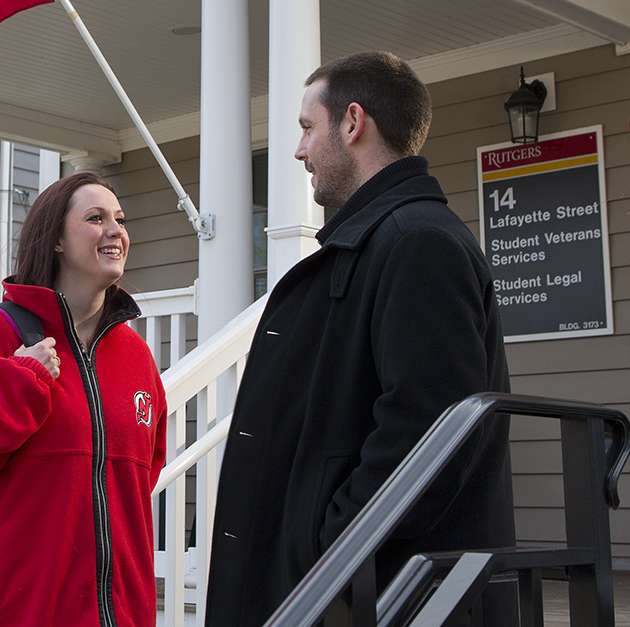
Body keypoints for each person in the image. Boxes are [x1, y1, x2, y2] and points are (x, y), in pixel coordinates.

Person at [205, 52, 516, 625]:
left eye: (305, 127)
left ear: (352, 123)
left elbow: (427, 429)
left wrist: (327, 544)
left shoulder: (419, 243)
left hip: (373, 594)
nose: (298, 151)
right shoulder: (379, 242)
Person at [0, 172, 167, 626]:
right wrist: (18, 381)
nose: (115, 231)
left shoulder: (136, 356)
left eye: (119, 219)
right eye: (96, 218)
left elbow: (142, 477)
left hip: (123, 614)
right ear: (56, 239)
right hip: (19, 608)